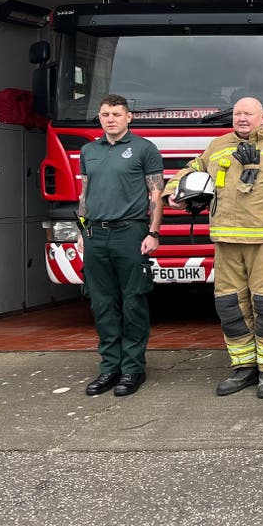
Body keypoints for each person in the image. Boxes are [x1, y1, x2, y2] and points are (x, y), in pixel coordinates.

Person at [165, 97, 263, 399]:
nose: (242, 118)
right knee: (230, 306)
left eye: (248, 113)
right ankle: (244, 367)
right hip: (226, 242)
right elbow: (192, 169)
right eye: (237, 114)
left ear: (262, 118)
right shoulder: (218, 146)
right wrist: (173, 191)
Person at [78, 94, 164, 398]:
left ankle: (132, 369)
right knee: (102, 304)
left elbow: (156, 195)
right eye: (104, 114)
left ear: (129, 117)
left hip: (130, 233)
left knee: (133, 302)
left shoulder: (144, 149)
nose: (109, 119)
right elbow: (84, 195)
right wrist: (81, 230)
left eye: (116, 113)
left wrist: (153, 232)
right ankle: (109, 369)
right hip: (95, 236)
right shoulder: (88, 151)